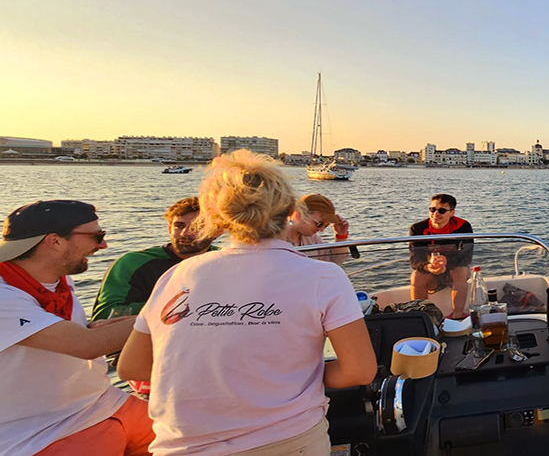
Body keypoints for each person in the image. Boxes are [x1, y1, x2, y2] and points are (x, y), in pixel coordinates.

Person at [117, 150, 376, 456]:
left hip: (180, 445)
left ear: (219, 216)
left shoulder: (177, 275)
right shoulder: (322, 276)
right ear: (291, 210)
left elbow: (130, 366)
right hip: (287, 442)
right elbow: (360, 371)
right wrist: (293, 373)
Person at [0, 200, 154, 456]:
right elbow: (85, 345)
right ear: (55, 241)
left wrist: (94, 327)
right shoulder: (4, 296)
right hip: (39, 430)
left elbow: (74, 332)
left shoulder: (57, 276)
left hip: (100, 401)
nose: (104, 244)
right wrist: (172, 313)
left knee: (207, 435)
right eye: (97, 236)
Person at [92, 197, 212, 321]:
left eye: (197, 227)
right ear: (169, 228)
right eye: (179, 226)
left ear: (216, 231)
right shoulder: (132, 263)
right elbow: (106, 314)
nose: (185, 233)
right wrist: (181, 305)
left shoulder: (225, 260)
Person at [409, 194, 474, 319]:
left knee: (461, 271)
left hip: (453, 271)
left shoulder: (463, 227)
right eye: (432, 209)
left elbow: (467, 256)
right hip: (431, 271)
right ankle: (422, 317)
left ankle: (458, 315)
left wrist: (446, 264)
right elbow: (415, 260)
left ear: (452, 213)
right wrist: (429, 267)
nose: (436, 214)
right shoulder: (417, 229)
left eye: (442, 211)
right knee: (416, 276)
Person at [289, 194, 350, 265]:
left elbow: (335, 260)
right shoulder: (276, 239)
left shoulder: (313, 238)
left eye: (326, 225)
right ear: (299, 215)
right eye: (319, 224)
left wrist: (341, 235)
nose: (321, 230)